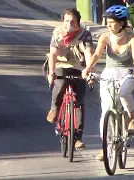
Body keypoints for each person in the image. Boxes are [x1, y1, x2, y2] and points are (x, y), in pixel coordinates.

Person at [82, 5, 134, 160]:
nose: (108, 25)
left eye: (112, 22)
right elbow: (96, 55)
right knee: (106, 112)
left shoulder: (131, 37)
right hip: (109, 73)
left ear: (122, 23)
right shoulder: (105, 37)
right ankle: (106, 147)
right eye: (107, 22)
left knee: (124, 93)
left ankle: (132, 119)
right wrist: (88, 68)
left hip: (128, 72)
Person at [43, 8, 93, 149]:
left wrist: (88, 71)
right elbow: (53, 54)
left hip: (78, 65)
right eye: (66, 21)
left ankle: (77, 137)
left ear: (78, 22)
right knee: (61, 82)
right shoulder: (58, 33)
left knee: (78, 101)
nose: (69, 24)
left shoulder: (85, 34)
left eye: (73, 21)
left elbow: (88, 53)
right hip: (60, 63)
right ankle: (54, 109)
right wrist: (51, 72)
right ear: (62, 21)